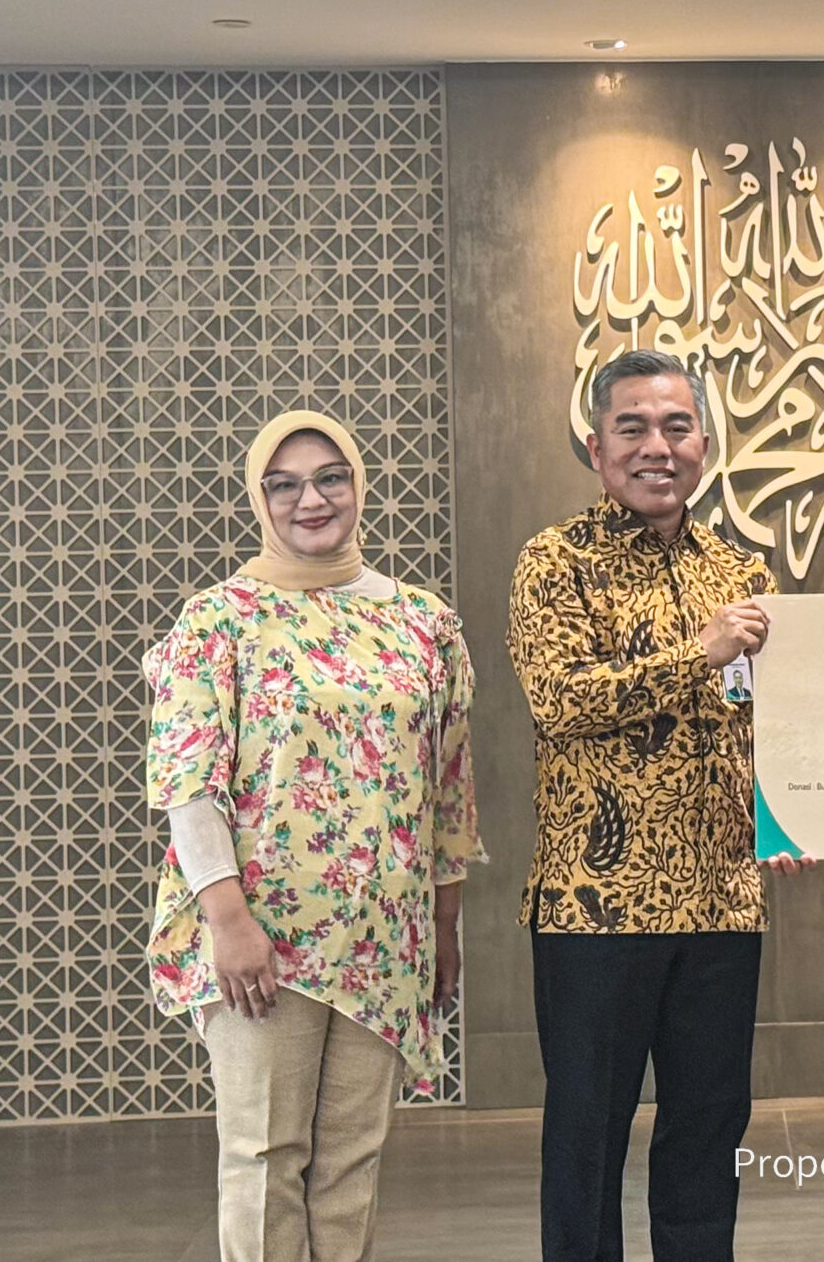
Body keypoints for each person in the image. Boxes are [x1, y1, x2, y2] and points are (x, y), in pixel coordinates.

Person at [144, 410, 483, 1262]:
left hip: (385, 935)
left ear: (359, 484)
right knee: (264, 1155)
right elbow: (188, 782)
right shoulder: (218, 620)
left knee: (350, 1164)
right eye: (284, 484)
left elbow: (448, 784)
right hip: (263, 936)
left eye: (331, 477)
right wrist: (228, 921)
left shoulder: (422, 621)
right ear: (258, 498)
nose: (311, 499)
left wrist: (443, 923)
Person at [508, 349, 812, 1262]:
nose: (657, 447)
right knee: (587, 1136)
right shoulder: (555, 561)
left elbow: (768, 720)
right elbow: (561, 700)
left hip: (721, 903)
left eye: (677, 427)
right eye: (633, 427)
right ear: (594, 445)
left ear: (705, 445)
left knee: (708, 1131)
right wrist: (698, 653)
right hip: (595, 909)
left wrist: (788, 812)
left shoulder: (739, 568)